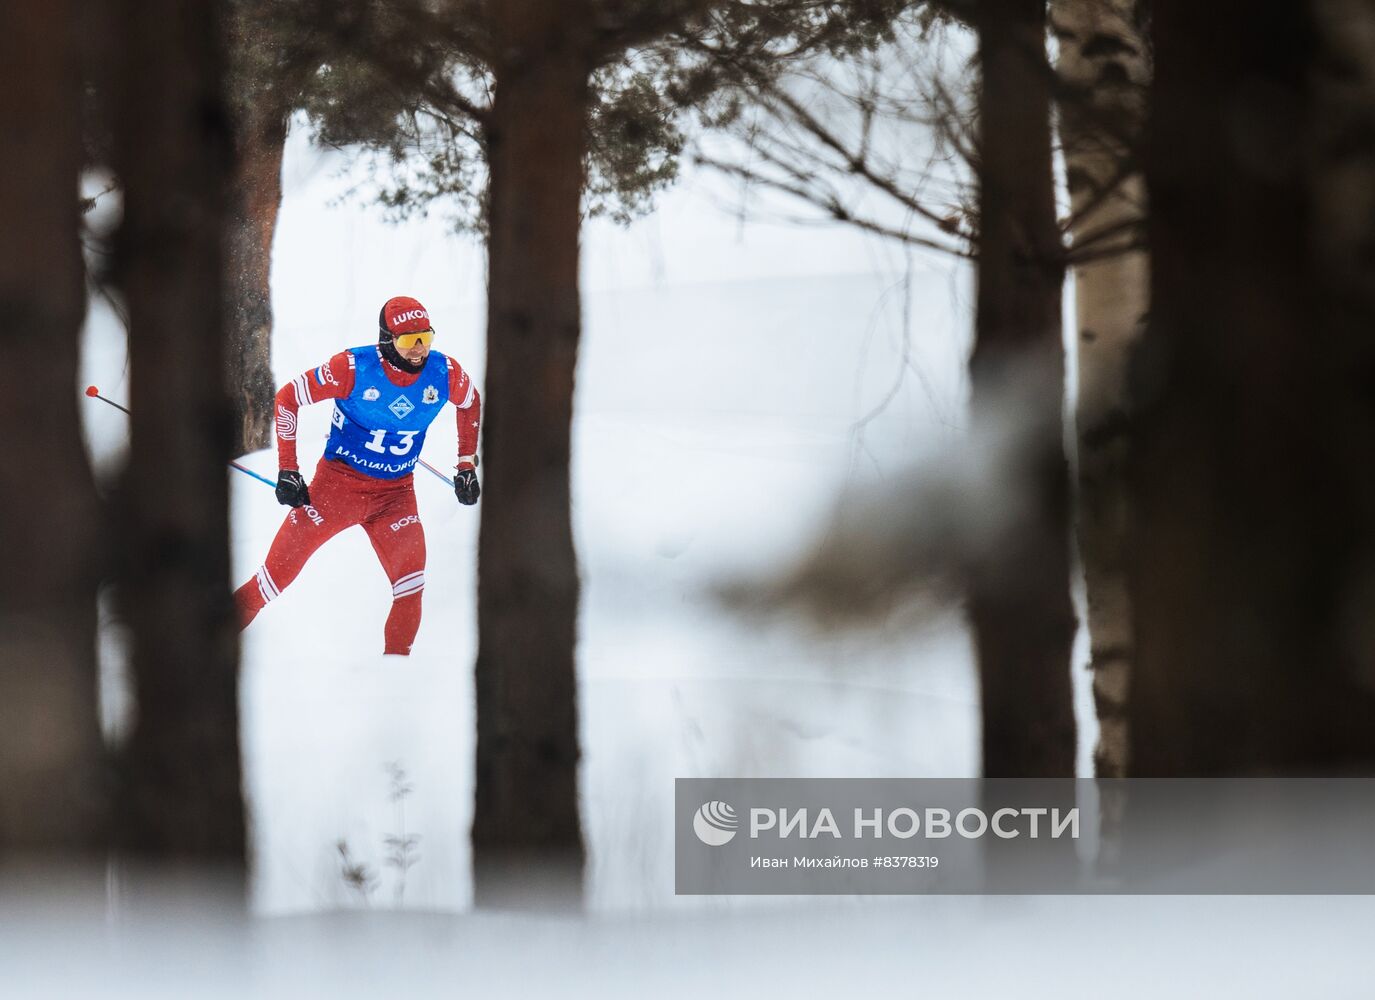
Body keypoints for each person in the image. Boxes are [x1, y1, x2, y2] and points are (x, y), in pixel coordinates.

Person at [234, 295, 481, 655]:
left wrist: (466, 465)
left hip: (395, 497)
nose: (418, 351)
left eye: (425, 339)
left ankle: (394, 674)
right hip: (334, 491)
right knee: (271, 582)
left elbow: (471, 402)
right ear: (386, 341)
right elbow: (288, 397)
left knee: (411, 587)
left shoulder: (444, 373)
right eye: (407, 341)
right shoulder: (351, 368)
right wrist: (288, 469)